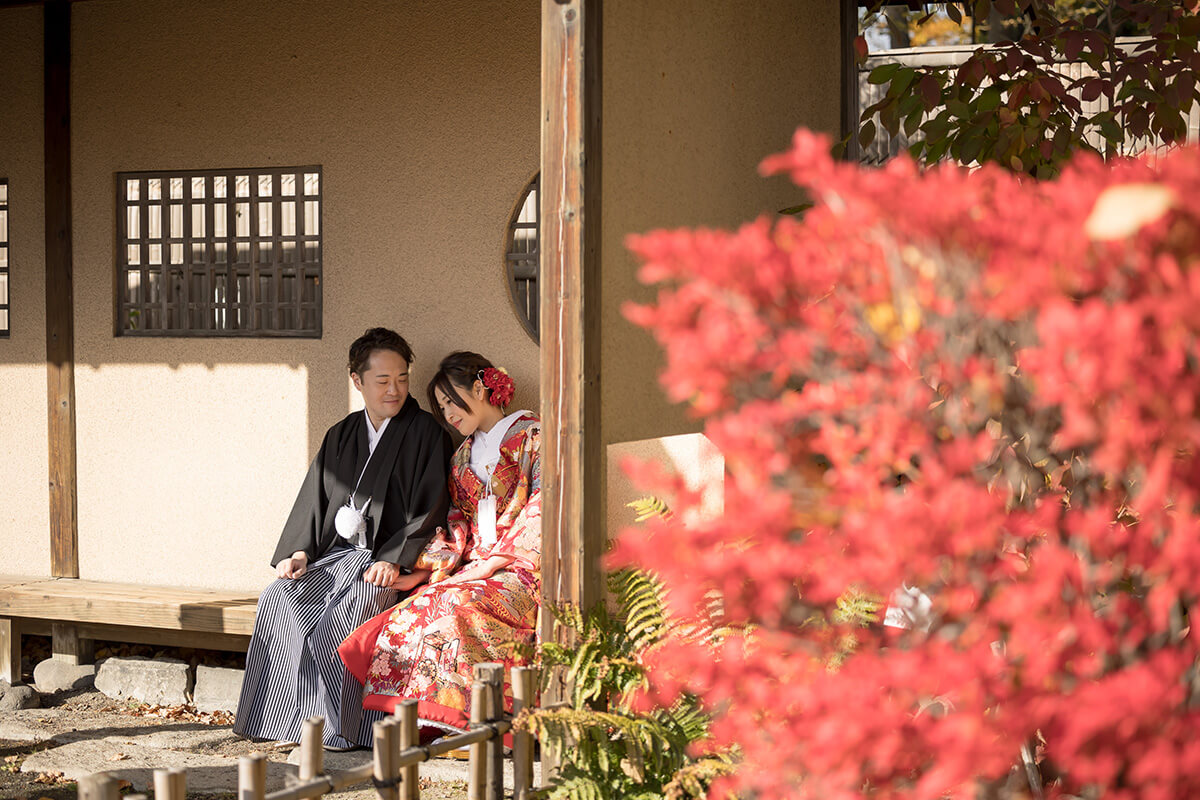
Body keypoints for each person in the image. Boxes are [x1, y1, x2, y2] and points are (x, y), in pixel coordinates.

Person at [234, 328, 454, 750]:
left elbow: (431, 507)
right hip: (336, 556)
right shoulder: (341, 434)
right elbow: (314, 497)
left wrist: (397, 558)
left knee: (346, 617)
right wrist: (299, 550)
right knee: (279, 598)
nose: (395, 389)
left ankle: (342, 727)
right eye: (383, 381)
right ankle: (280, 721)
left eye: (403, 379)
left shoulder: (427, 433)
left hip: (383, 563)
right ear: (357, 380)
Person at [338, 351, 540, 734]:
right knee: (413, 608)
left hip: (521, 569)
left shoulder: (533, 436)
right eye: (441, 405)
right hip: (474, 568)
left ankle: (474, 722)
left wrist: (496, 562)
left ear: (481, 388)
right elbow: (456, 521)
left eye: (451, 401)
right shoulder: (462, 456)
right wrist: (424, 570)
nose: (447, 413)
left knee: (455, 605)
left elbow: (545, 505)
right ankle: (438, 722)